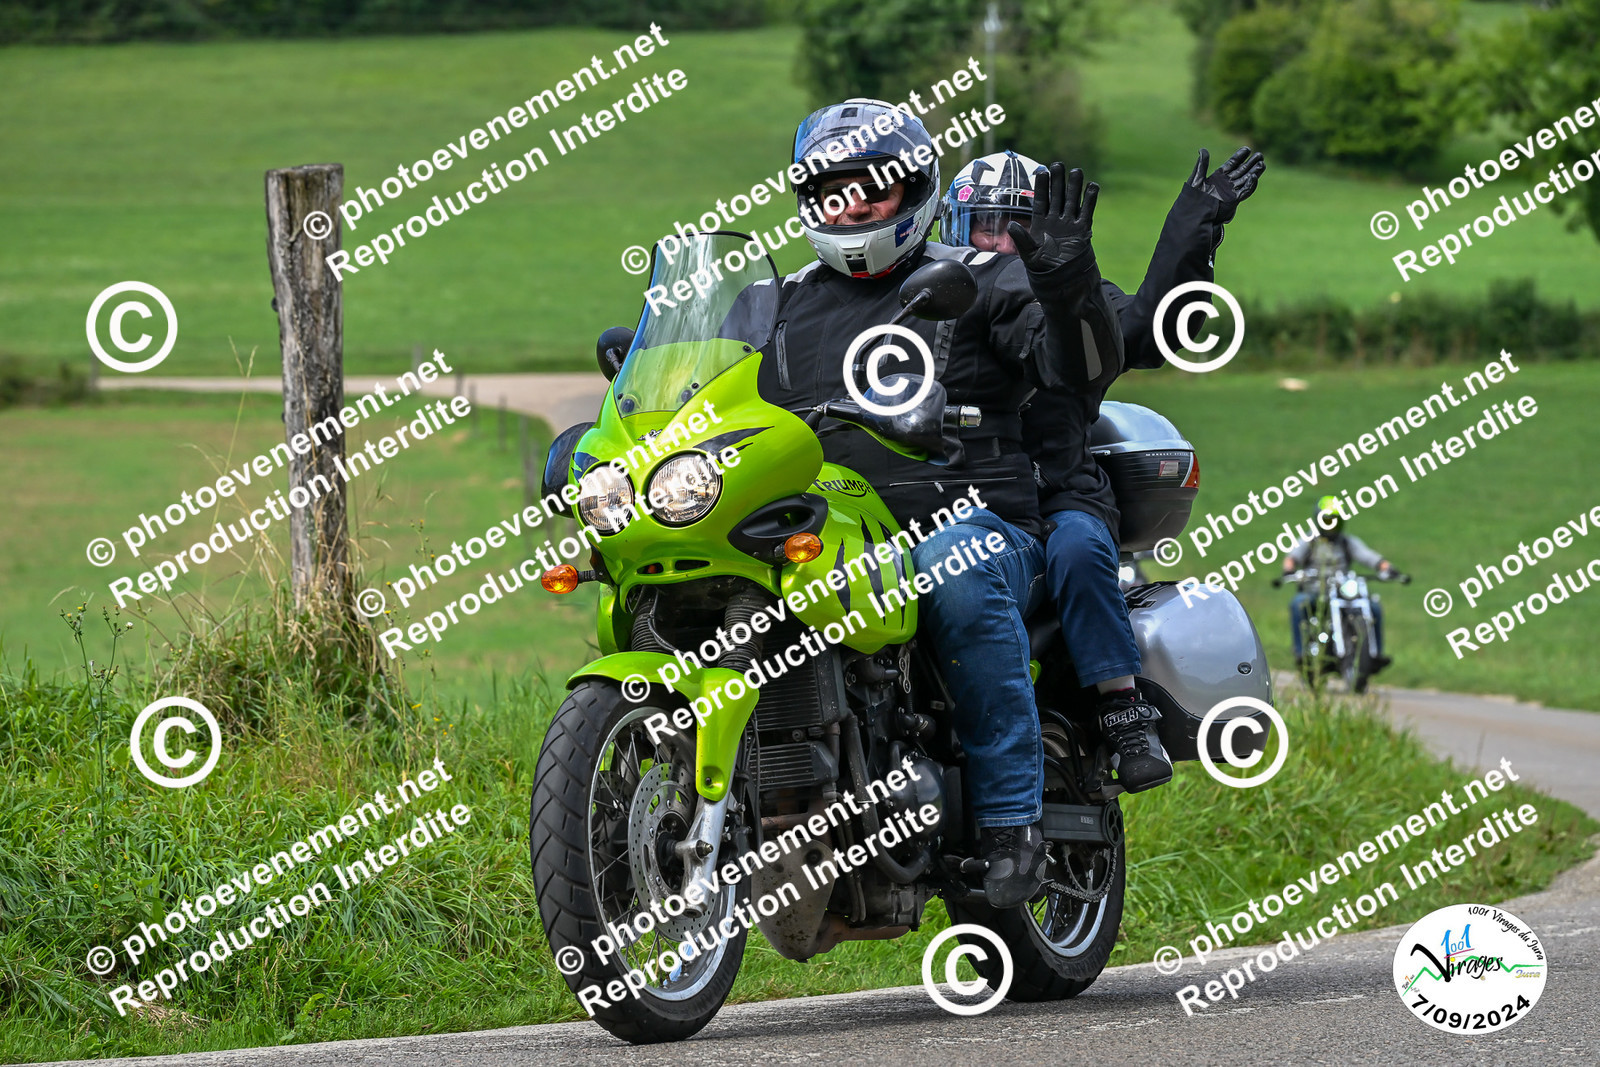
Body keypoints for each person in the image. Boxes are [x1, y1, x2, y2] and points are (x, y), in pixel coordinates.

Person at [754, 99, 1124, 907]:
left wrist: (1067, 286)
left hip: (982, 528)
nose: (852, 205)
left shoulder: (985, 277)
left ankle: (1011, 818)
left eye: (872, 188)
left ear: (915, 189)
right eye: (832, 190)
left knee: (951, 565)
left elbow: (1076, 370)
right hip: (832, 532)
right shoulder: (774, 304)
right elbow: (704, 392)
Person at [941, 146, 1266, 792]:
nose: (1002, 242)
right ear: (952, 227)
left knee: (1079, 547)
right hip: (949, 500)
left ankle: (1123, 709)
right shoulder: (926, 308)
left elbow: (1155, 328)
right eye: (986, 226)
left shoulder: (1077, 308)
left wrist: (1195, 224)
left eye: (1020, 227)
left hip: (1058, 492)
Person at [1284, 495, 1398, 671]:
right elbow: (1292, 557)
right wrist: (1289, 569)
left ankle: (1375, 654)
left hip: (1341, 591)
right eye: (1327, 521)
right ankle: (1301, 654)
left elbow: (1367, 556)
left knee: (1374, 607)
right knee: (1298, 604)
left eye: (1335, 521)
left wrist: (1385, 566)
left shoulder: (1346, 542)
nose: (1331, 526)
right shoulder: (1310, 540)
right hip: (1315, 591)